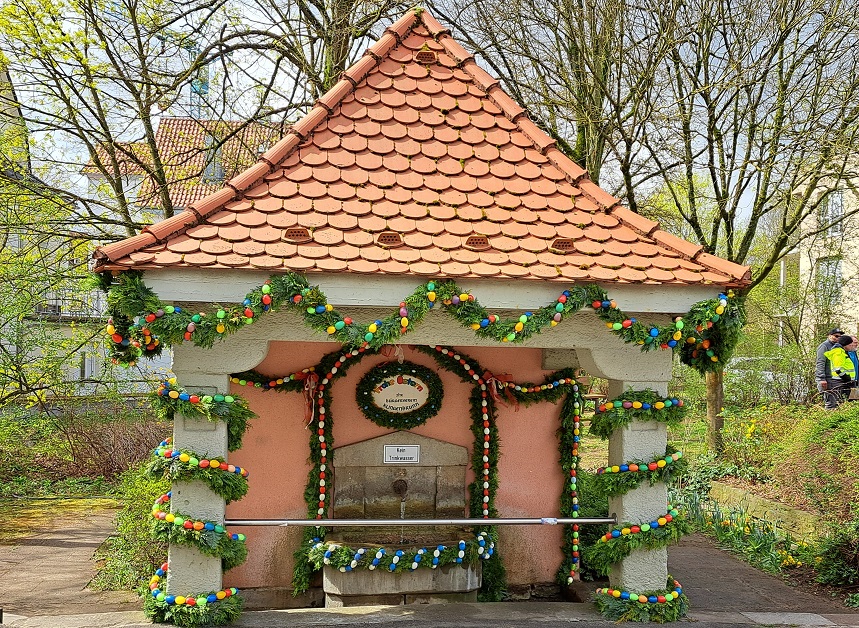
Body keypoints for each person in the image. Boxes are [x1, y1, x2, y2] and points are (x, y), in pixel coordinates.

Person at [824, 335, 856, 407]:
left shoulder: (842, 352)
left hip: (844, 382)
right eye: (850, 345)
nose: (852, 346)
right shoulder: (838, 353)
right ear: (845, 345)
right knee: (838, 404)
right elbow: (838, 369)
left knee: (845, 403)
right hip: (840, 382)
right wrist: (846, 378)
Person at [816, 328, 844, 409]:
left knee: (837, 403)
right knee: (831, 404)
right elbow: (820, 363)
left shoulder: (838, 347)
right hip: (828, 379)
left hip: (836, 379)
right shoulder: (824, 346)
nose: (838, 338)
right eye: (836, 336)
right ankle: (828, 421)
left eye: (840, 336)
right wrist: (822, 379)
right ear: (830, 336)